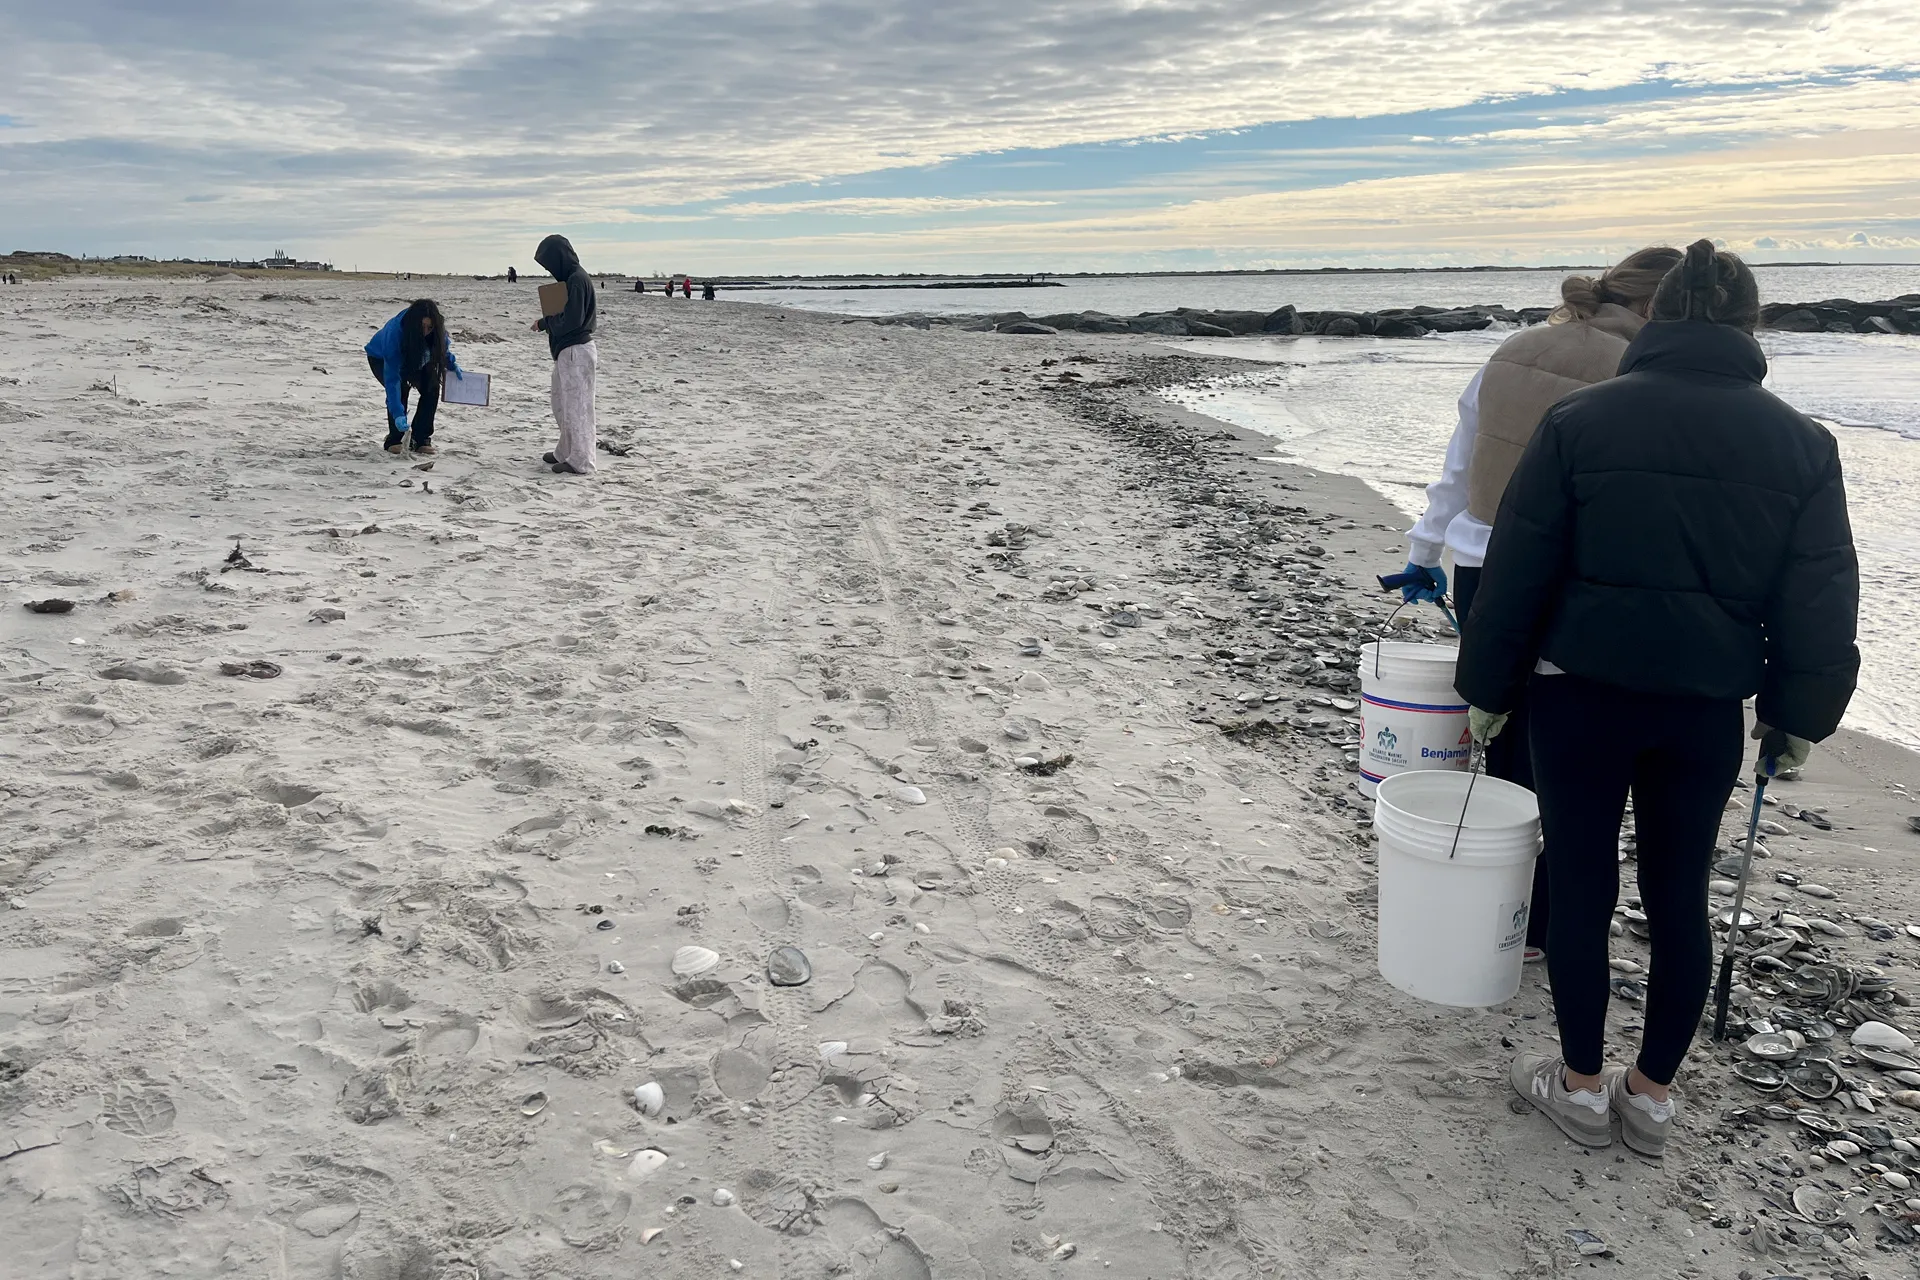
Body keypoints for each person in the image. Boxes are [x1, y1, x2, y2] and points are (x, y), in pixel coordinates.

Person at [1456, 240, 1859, 1159]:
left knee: (1584, 887)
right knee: (1681, 894)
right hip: (1704, 709)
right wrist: (1798, 716)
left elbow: (1520, 566)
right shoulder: (1803, 442)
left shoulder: (1582, 422)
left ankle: (1583, 1086)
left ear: (1658, 319)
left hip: (1579, 698)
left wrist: (1487, 686)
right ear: (1753, 327)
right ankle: (1653, 1096)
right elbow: (1821, 593)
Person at [1401, 246, 1682, 963]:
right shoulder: (1645, 373)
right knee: (1567, 745)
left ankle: (1500, 901)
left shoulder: (1514, 347)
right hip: (1577, 576)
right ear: (1655, 308)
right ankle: (1543, 919)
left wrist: (1422, 552)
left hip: (1481, 565)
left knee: (1501, 736)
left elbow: (1459, 462)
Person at [530, 234, 598, 474]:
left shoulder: (577, 280)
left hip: (576, 351)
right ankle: (566, 450)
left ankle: (581, 460)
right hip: (569, 351)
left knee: (578, 407)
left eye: (549, 264)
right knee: (562, 404)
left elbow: (572, 320)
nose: (549, 270)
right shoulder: (571, 279)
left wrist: (546, 322)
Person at [364, 299, 461, 455]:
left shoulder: (436, 331)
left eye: (430, 327)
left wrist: (451, 364)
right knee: (401, 387)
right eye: (421, 327)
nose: (425, 331)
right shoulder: (395, 332)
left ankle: (421, 439)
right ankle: (394, 439)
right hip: (381, 358)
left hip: (419, 356)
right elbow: (392, 380)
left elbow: (442, 348)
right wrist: (397, 413)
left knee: (432, 387)